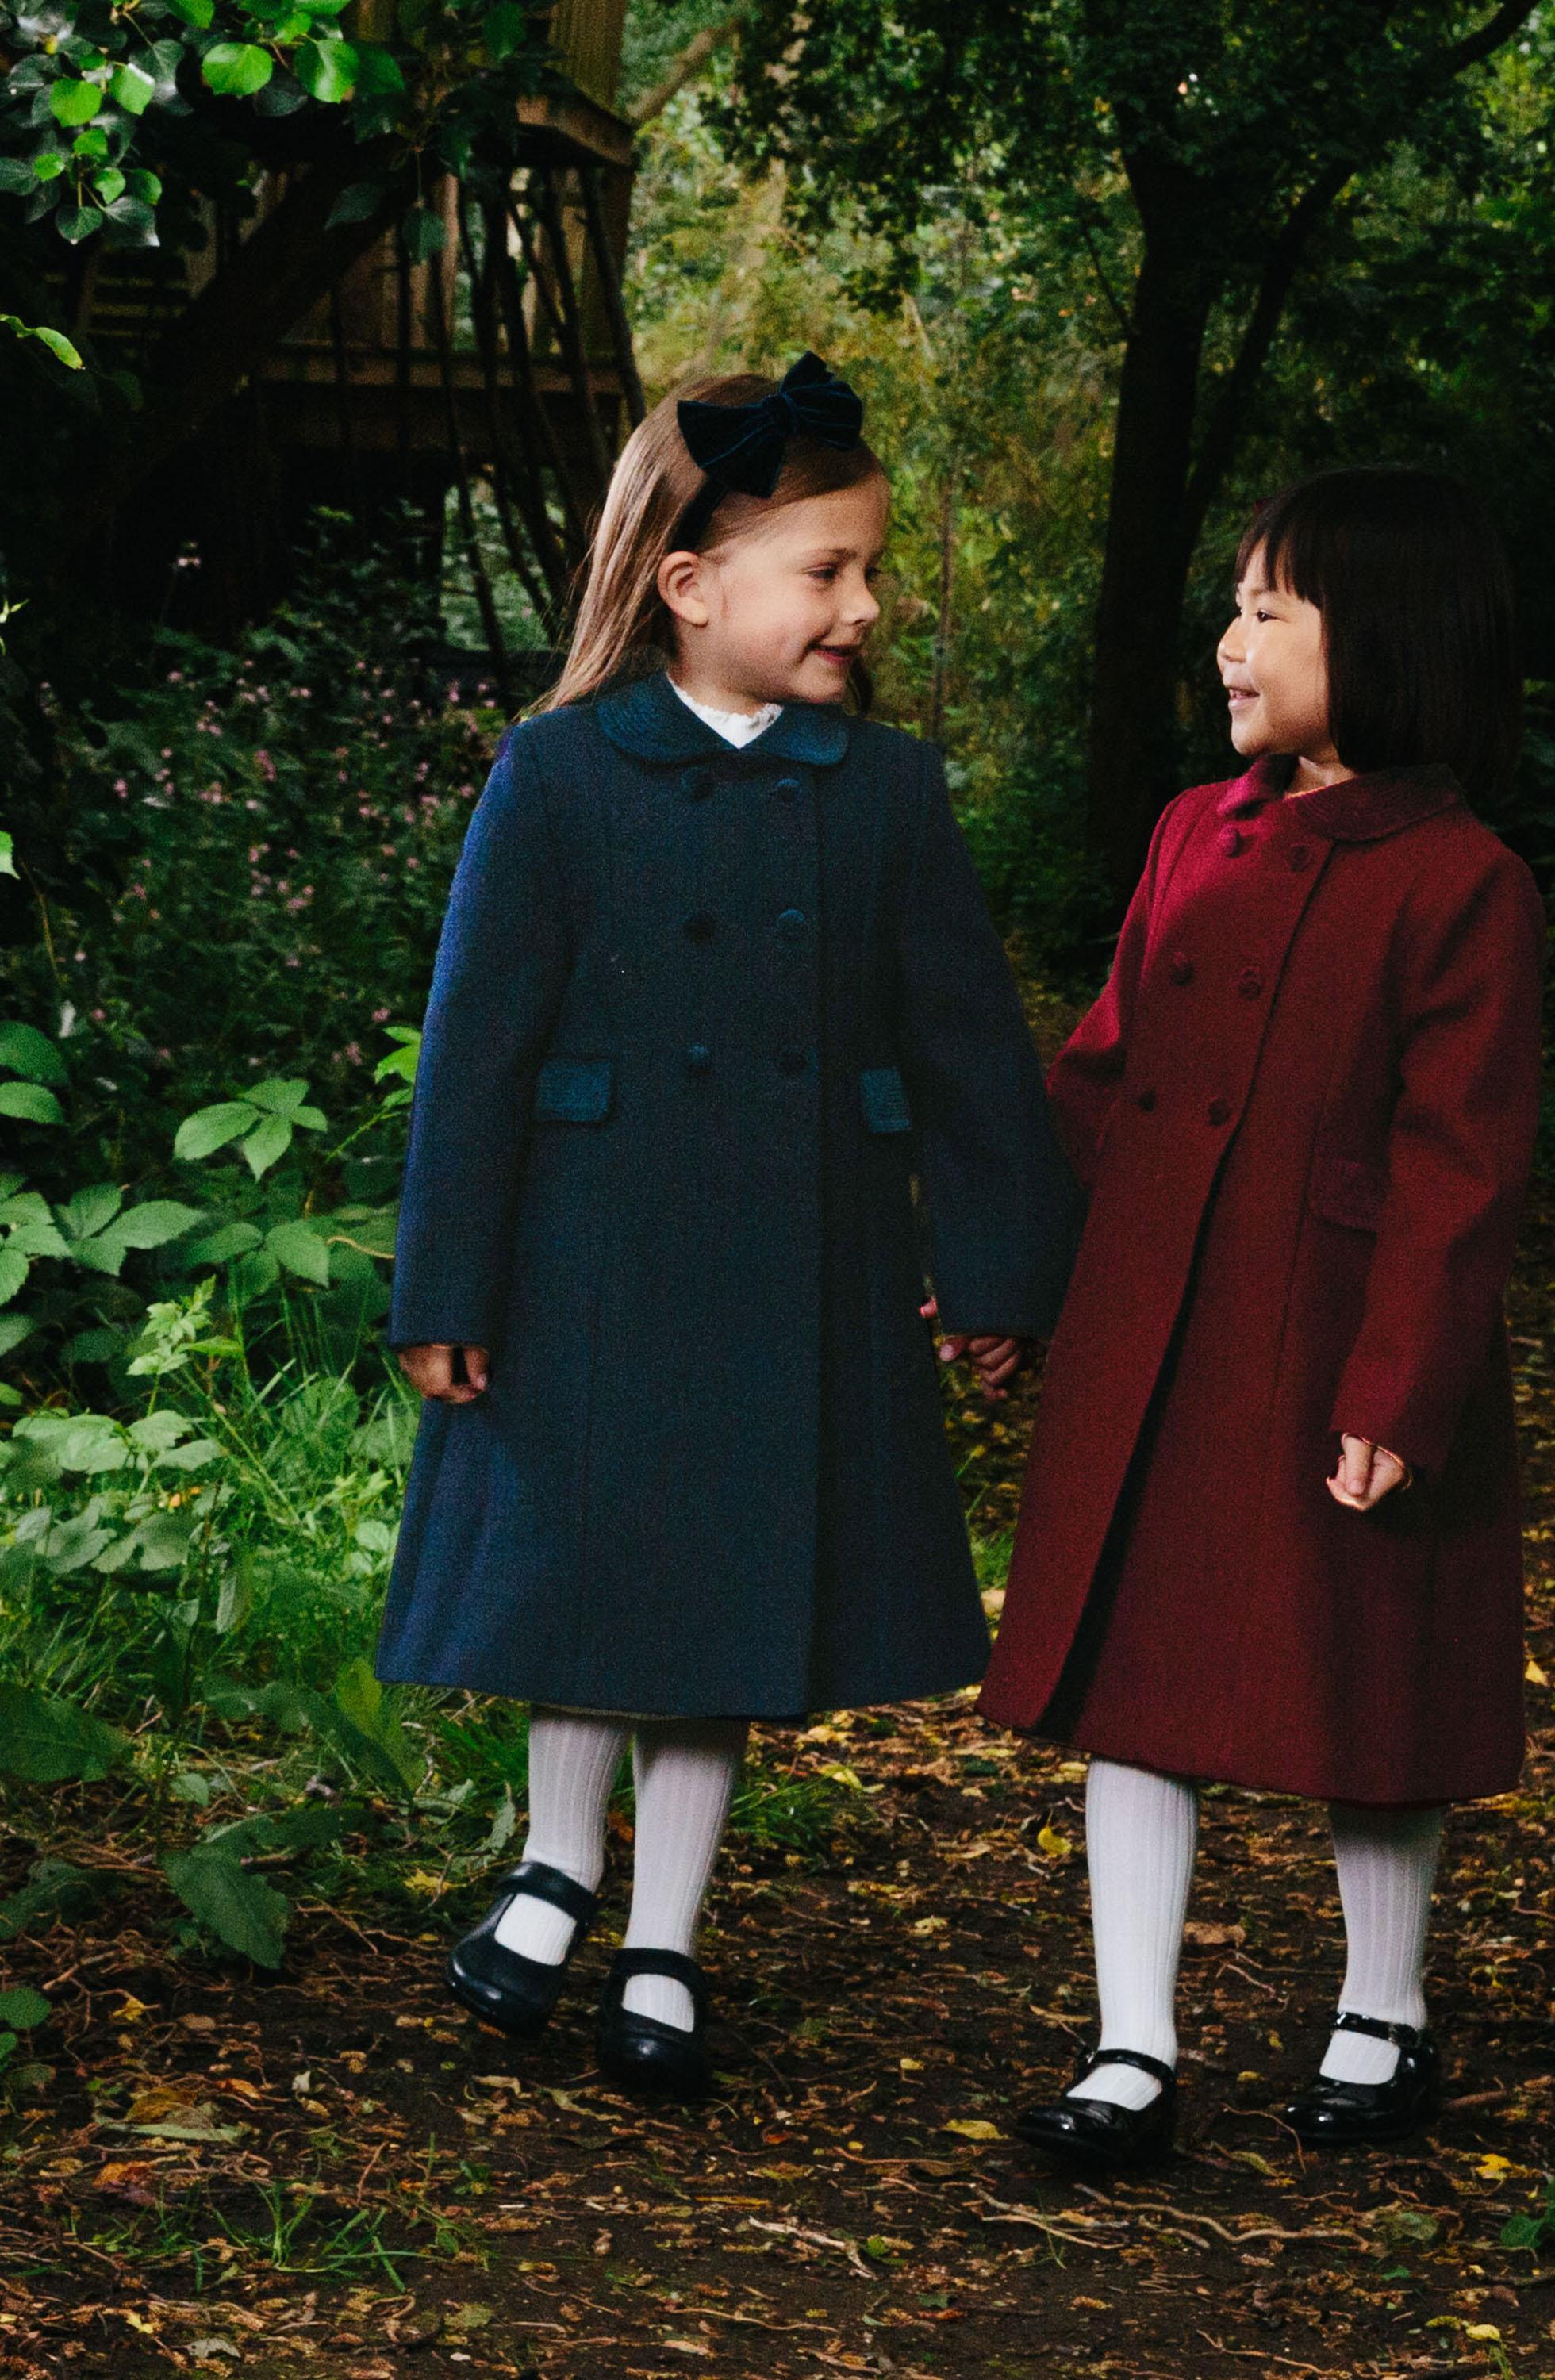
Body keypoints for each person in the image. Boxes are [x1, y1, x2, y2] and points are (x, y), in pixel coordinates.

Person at [375, 355, 1073, 2096]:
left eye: (868, 571)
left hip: (798, 1256)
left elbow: (969, 1049)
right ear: (690, 585)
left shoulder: (885, 789)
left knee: (721, 1603)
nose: (864, 606)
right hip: (590, 1254)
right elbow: (475, 1051)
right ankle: (555, 1868)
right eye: (826, 570)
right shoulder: (556, 774)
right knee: (585, 1575)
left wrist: (996, 1268)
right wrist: (447, 1282)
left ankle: (666, 1942)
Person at [977, 467, 1544, 2171]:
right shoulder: (1188, 832)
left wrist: (1399, 1388)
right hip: (1156, 1332)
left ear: (1383, 640)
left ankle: (1384, 2008)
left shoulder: (1462, 883)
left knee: (1370, 1682)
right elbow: (1099, 1073)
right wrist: (1013, 1274)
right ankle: (1129, 2045)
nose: (1227, 643)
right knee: (1134, 1680)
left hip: (1336, 1350)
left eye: (1266, 612)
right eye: (1231, 607)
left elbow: (1460, 1172)